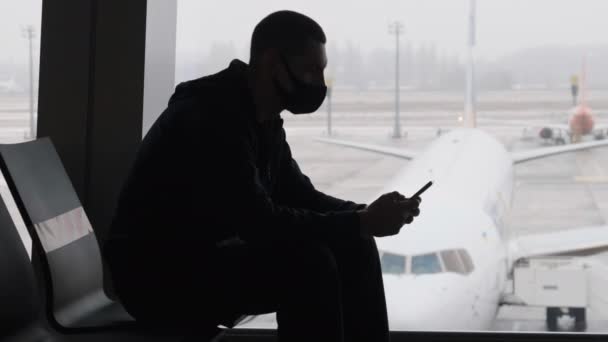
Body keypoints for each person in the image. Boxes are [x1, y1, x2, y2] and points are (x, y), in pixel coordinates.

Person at [104, 10, 421, 342]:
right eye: (312, 70)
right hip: (156, 278)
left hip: (201, 258)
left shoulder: (261, 118)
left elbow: (301, 196)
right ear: (273, 64)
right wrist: (361, 221)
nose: (319, 83)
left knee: (354, 244)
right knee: (308, 263)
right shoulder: (213, 117)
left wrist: (363, 214)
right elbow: (260, 222)